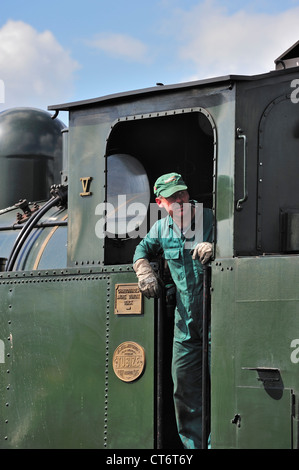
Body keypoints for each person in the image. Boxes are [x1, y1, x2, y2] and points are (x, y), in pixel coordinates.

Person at [133, 172, 213, 449]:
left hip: (217, 318)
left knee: (223, 385)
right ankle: (195, 448)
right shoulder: (160, 230)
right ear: (160, 202)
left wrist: (217, 248)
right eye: (173, 197)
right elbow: (141, 249)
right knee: (184, 389)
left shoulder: (212, 219)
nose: (181, 200)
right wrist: (143, 270)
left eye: (183, 194)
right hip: (185, 324)